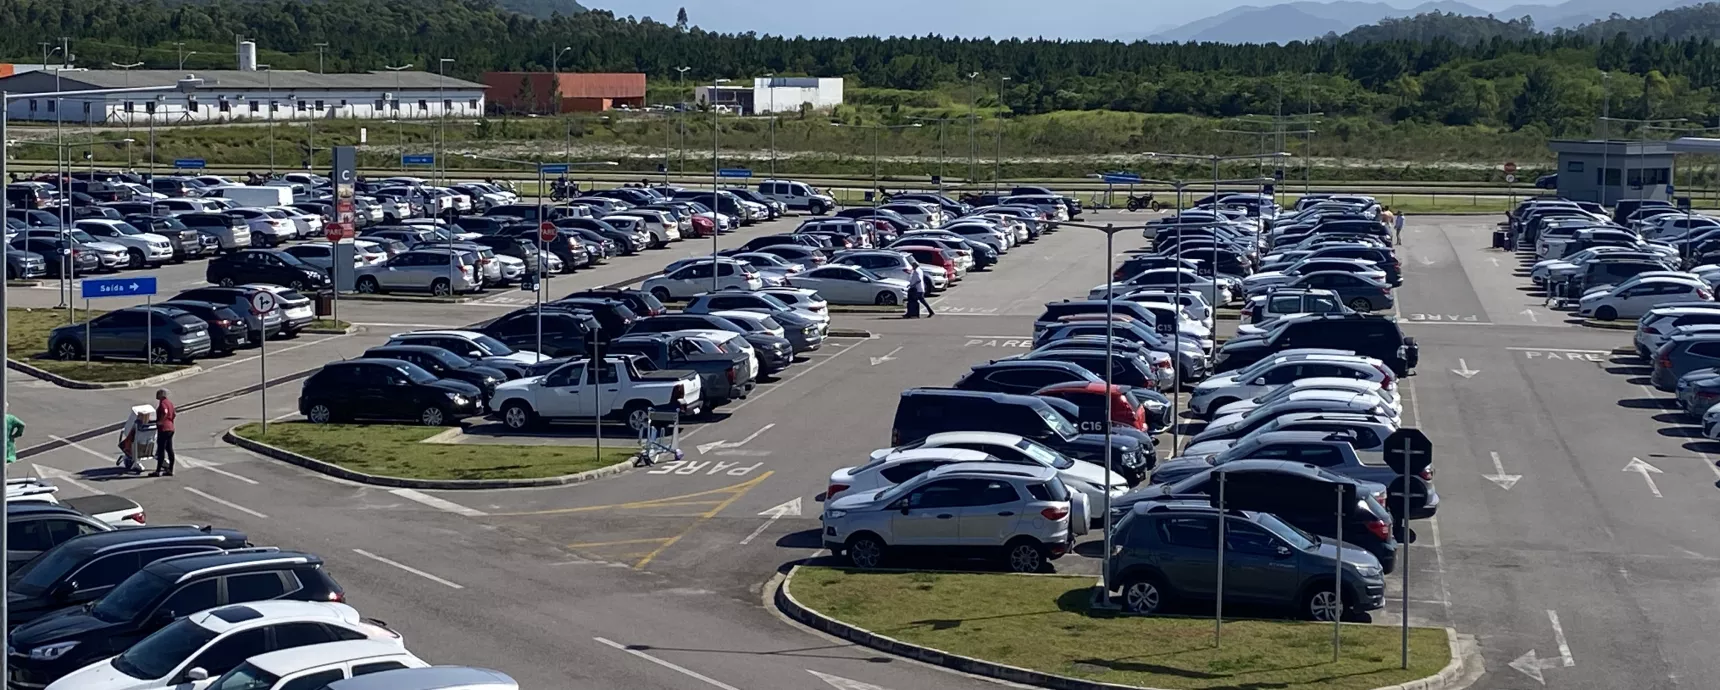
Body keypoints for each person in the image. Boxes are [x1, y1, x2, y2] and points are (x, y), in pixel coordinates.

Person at [152, 388, 176, 477]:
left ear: (162, 394)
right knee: (169, 449)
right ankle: (170, 469)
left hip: (164, 429)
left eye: (158, 393)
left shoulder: (163, 403)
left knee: (161, 449)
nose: (156, 395)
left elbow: (165, 412)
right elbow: (174, 414)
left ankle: (158, 471)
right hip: (170, 428)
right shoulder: (170, 403)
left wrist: (160, 421)